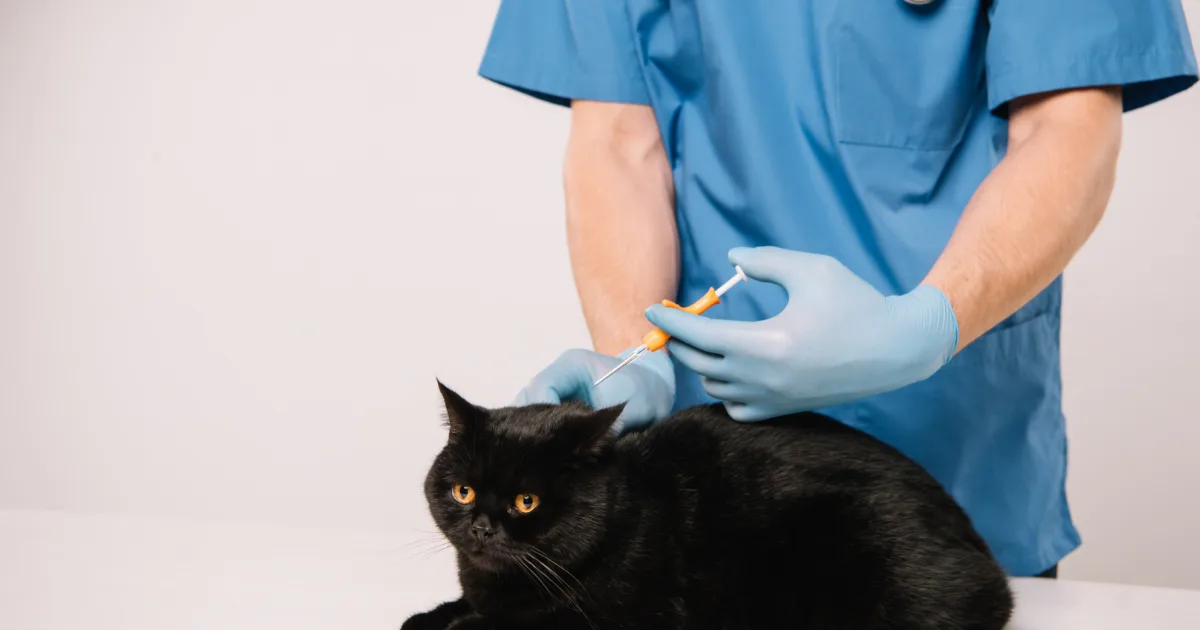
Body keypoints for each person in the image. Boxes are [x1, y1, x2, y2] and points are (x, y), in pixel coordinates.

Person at [477, 0, 1198, 579]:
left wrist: (926, 324)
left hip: (955, 459)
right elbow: (615, 139)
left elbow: (1067, 124)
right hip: (703, 474)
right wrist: (634, 359)